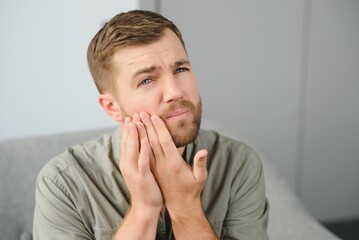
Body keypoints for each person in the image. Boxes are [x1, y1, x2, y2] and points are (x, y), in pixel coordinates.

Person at [33, 10, 269, 240]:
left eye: (180, 69)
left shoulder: (239, 165)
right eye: (146, 80)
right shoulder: (63, 183)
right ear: (111, 107)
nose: (175, 92)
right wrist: (144, 210)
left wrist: (185, 206)